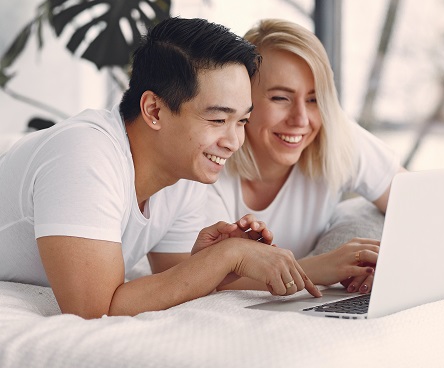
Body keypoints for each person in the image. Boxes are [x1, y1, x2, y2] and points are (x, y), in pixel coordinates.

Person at [0, 17, 320, 319]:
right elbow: (96, 310)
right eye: (218, 120)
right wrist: (227, 255)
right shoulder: (84, 155)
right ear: (154, 110)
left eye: (242, 121)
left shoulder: (185, 172)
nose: (234, 141)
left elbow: (169, 279)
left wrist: (211, 259)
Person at [206, 19, 403, 295]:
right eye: (280, 98)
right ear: (243, 100)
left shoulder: (337, 138)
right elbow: (194, 276)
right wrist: (318, 268)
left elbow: (418, 205)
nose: (301, 119)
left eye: (313, 100)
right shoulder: (207, 163)